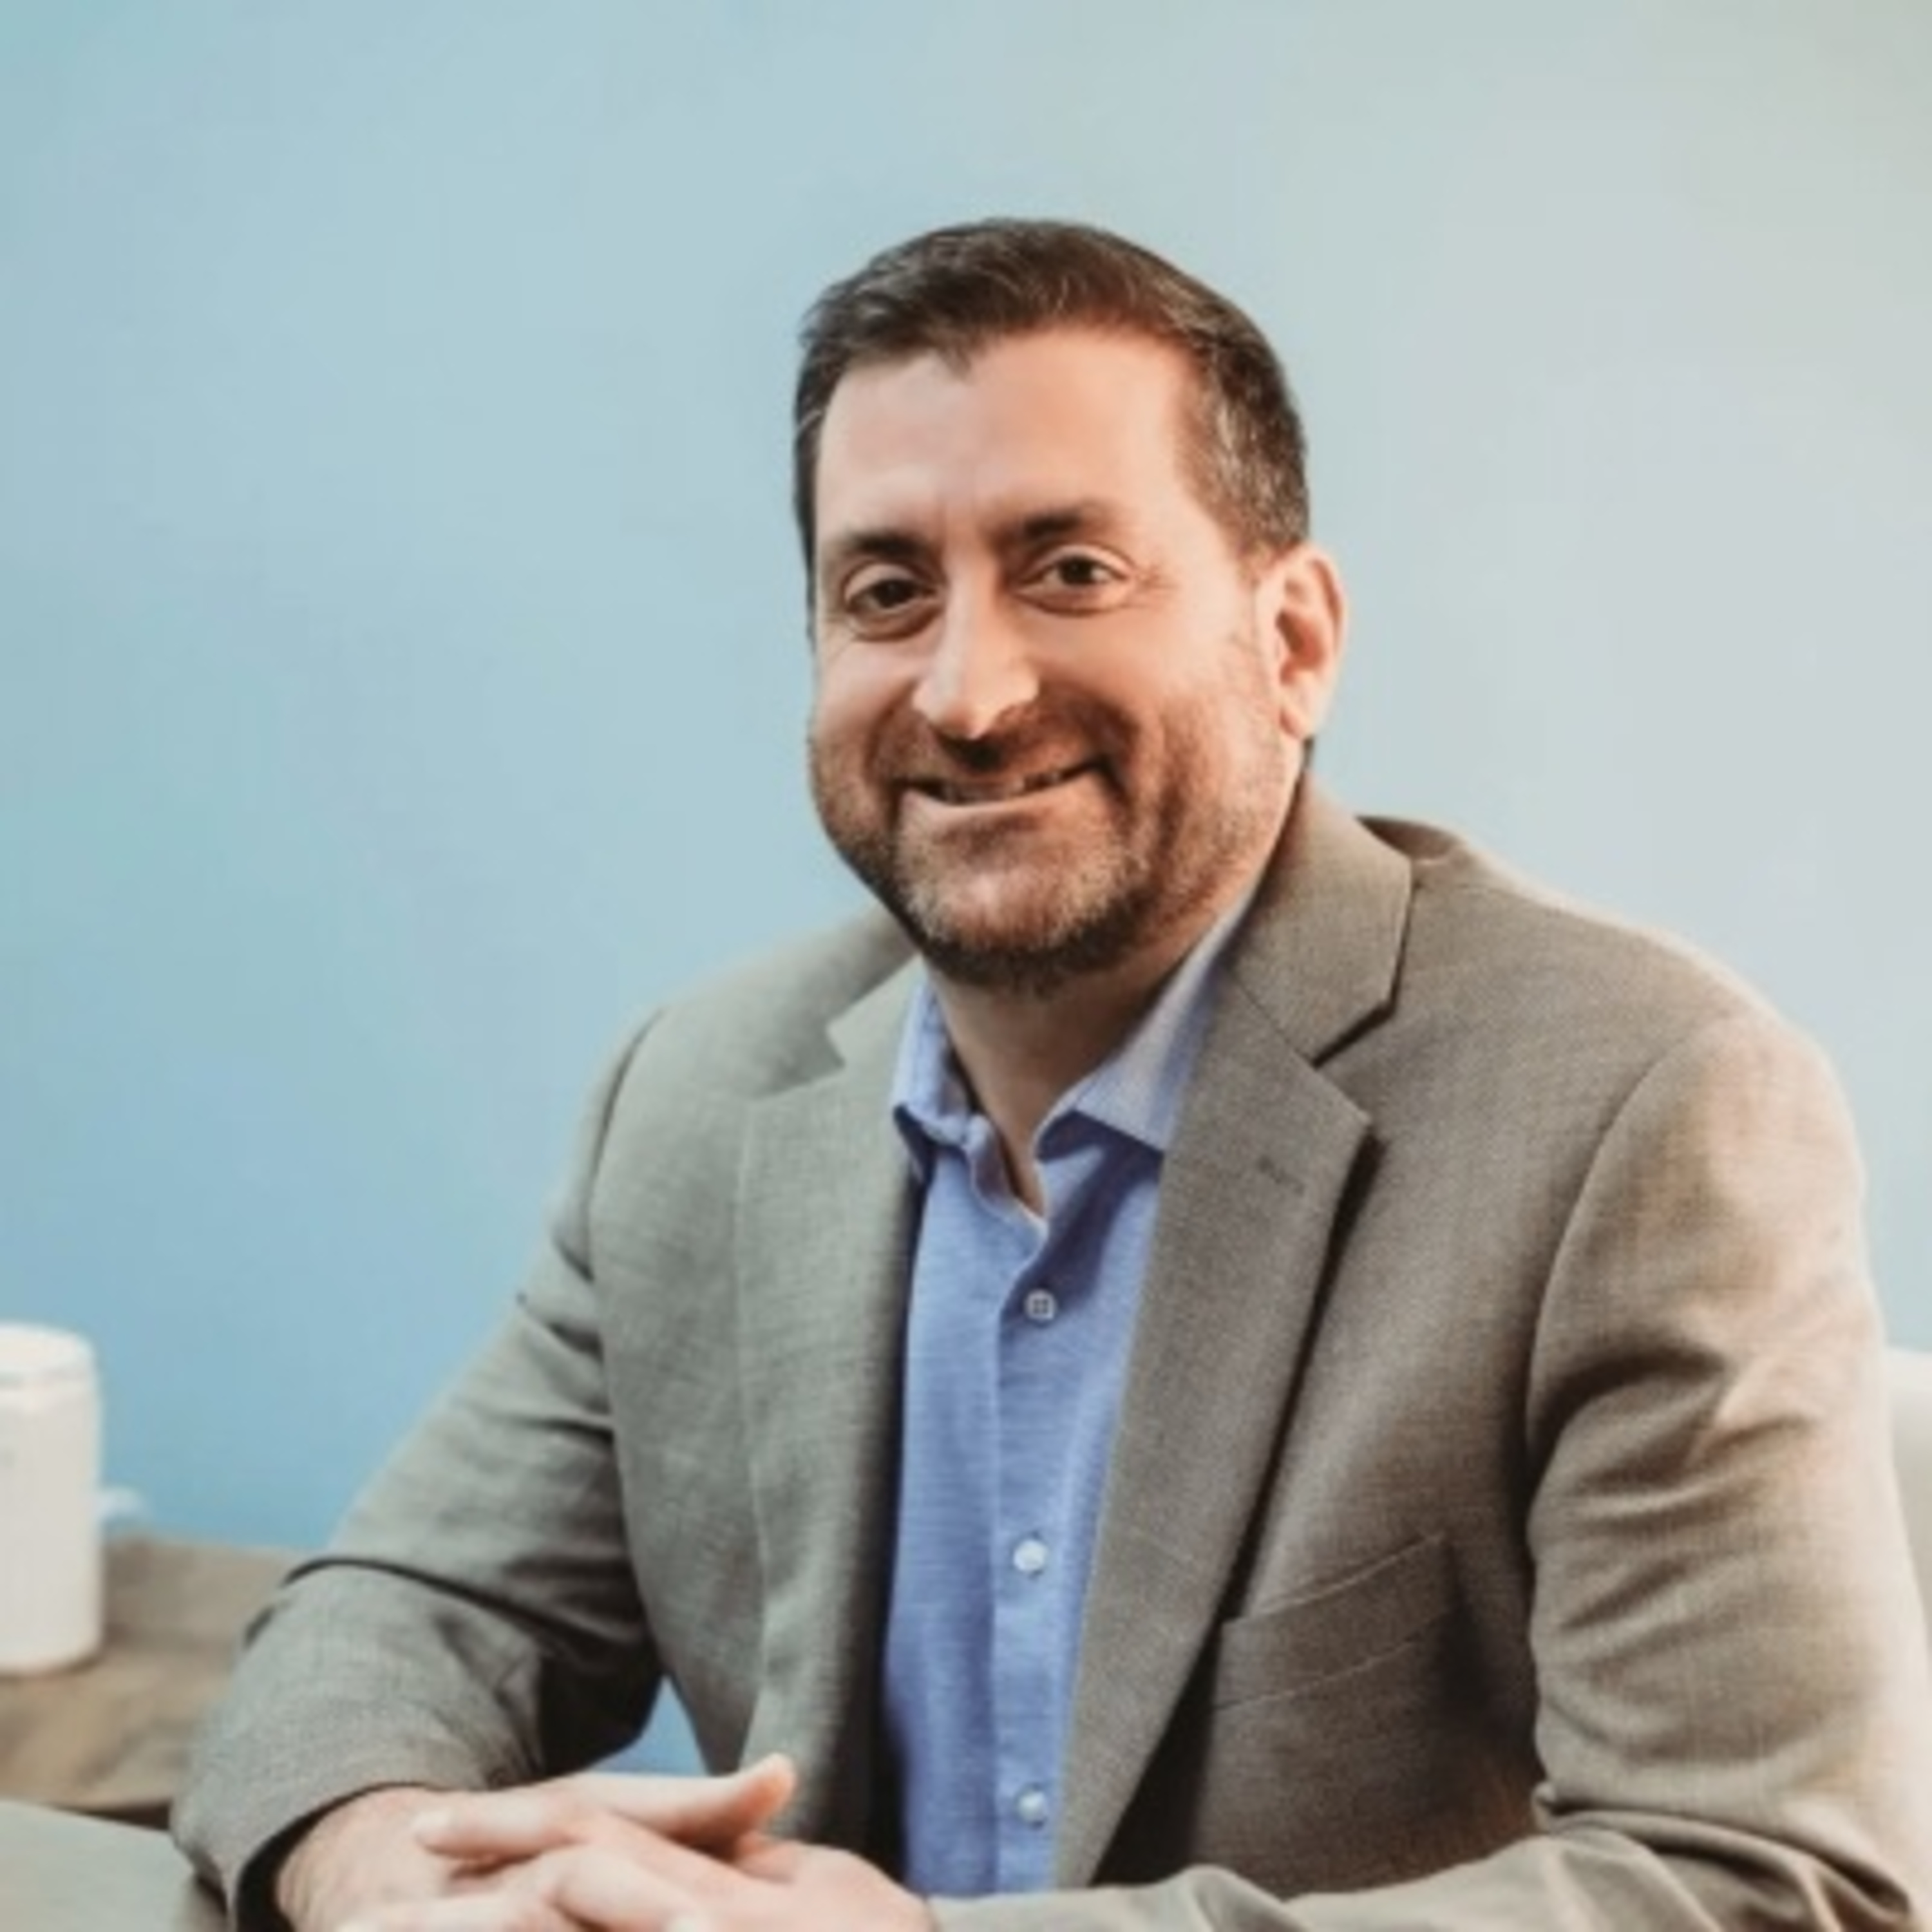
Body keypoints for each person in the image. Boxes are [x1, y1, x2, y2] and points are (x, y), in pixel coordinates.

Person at [176, 218, 1932, 1931]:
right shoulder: (697, 1094)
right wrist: (376, 1865)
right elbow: (401, 1621)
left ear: (1295, 642)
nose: (967, 692)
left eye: (1071, 570)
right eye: (886, 593)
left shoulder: (1640, 1106)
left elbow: (1764, 1879)